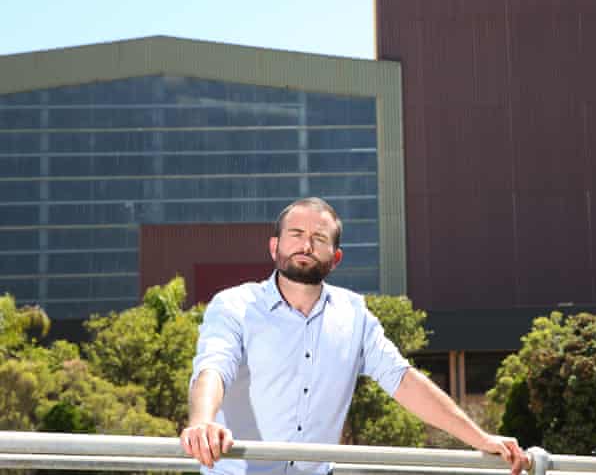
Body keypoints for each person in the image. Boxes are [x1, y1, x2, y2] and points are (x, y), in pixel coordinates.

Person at [180, 197, 528, 475]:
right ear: (274, 247)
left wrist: (480, 439)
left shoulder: (355, 315)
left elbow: (403, 380)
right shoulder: (234, 305)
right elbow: (213, 367)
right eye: (296, 234)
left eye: (319, 239)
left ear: (336, 257)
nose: (306, 245)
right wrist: (201, 423)